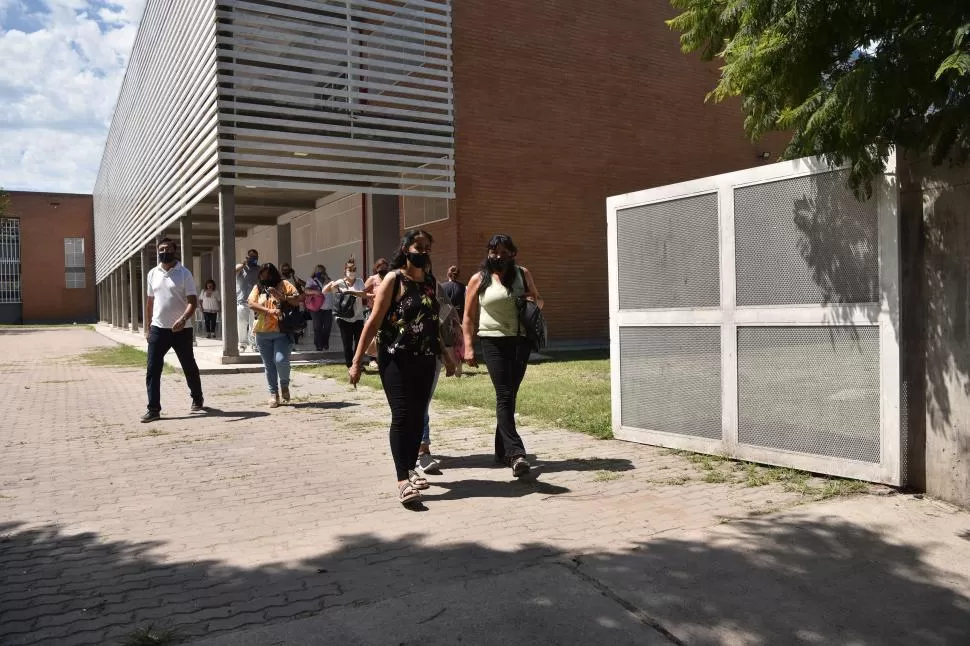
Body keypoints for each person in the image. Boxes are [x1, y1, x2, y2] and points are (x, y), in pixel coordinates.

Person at [350, 229, 456, 506]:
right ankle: (402, 480)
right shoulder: (393, 279)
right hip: (394, 358)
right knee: (402, 415)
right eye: (418, 246)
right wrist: (356, 360)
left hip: (425, 358)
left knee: (417, 416)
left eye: (427, 247)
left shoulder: (430, 282)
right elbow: (373, 322)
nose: (423, 252)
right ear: (406, 248)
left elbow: (432, 323)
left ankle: (410, 467)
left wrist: (446, 354)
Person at [462, 234, 543, 477]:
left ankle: (501, 451)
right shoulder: (479, 279)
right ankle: (517, 454)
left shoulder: (522, 273)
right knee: (505, 394)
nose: (497, 256)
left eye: (502, 252)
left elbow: (539, 300)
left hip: (520, 341)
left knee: (510, 394)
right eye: (493, 252)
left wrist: (531, 302)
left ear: (512, 253)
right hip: (492, 341)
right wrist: (468, 346)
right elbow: (467, 316)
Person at [141, 238, 204, 423]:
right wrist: (147, 328)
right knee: (153, 369)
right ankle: (153, 409)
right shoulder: (152, 273)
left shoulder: (184, 273)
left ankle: (197, 397)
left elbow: (192, 301)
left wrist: (184, 319)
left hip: (182, 331)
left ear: (174, 251)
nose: (164, 252)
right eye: (161, 249)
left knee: (188, 366)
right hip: (158, 329)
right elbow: (150, 302)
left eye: (168, 249)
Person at [248, 262, 301, 408]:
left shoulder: (284, 284)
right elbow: (251, 304)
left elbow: (297, 301)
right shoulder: (258, 287)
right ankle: (273, 394)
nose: (265, 277)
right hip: (262, 332)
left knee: (280, 360)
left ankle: (284, 384)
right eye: (262, 275)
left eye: (268, 274)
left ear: (273, 274)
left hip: (281, 331)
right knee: (269, 365)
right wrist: (269, 311)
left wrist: (280, 295)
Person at [325, 258, 366, 368]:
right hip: (344, 318)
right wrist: (331, 284)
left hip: (358, 317)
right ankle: (350, 365)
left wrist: (351, 292)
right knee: (347, 344)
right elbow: (324, 291)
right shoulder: (340, 282)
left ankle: (358, 364)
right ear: (345, 271)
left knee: (359, 342)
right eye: (350, 269)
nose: (352, 272)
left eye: (354, 269)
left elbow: (364, 294)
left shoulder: (360, 281)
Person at [362, 258, 390, 369]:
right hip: (374, 310)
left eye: (384, 266)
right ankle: (372, 359)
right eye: (380, 266)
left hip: (387, 311)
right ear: (376, 268)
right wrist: (372, 296)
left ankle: (382, 356)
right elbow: (362, 293)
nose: (382, 268)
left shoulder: (389, 279)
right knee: (373, 334)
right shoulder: (372, 279)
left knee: (384, 334)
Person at [235, 249, 260, 353]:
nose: (253, 258)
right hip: (242, 301)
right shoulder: (241, 268)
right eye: (251, 256)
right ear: (247, 257)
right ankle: (242, 344)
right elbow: (233, 271)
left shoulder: (259, 269)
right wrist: (244, 263)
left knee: (254, 324)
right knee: (241, 324)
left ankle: (254, 344)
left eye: (255, 257)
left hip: (255, 302)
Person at [304, 264, 333, 352]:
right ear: (315, 271)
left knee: (327, 327)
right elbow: (306, 290)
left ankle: (325, 342)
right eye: (318, 271)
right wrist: (315, 291)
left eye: (322, 271)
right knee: (317, 327)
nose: (320, 273)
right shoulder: (311, 280)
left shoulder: (328, 280)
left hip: (327, 307)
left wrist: (327, 279)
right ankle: (318, 345)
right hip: (316, 307)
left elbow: (333, 288)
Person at [280, 263, 307, 347]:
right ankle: (288, 340)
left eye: (287, 269)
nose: (285, 271)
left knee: (295, 320)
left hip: (295, 302)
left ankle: (295, 339)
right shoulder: (279, 279)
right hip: (284, 303)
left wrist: (301, 294)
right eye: (284, 269)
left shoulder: (294, 278)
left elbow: (305, 284)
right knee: (286, 321)